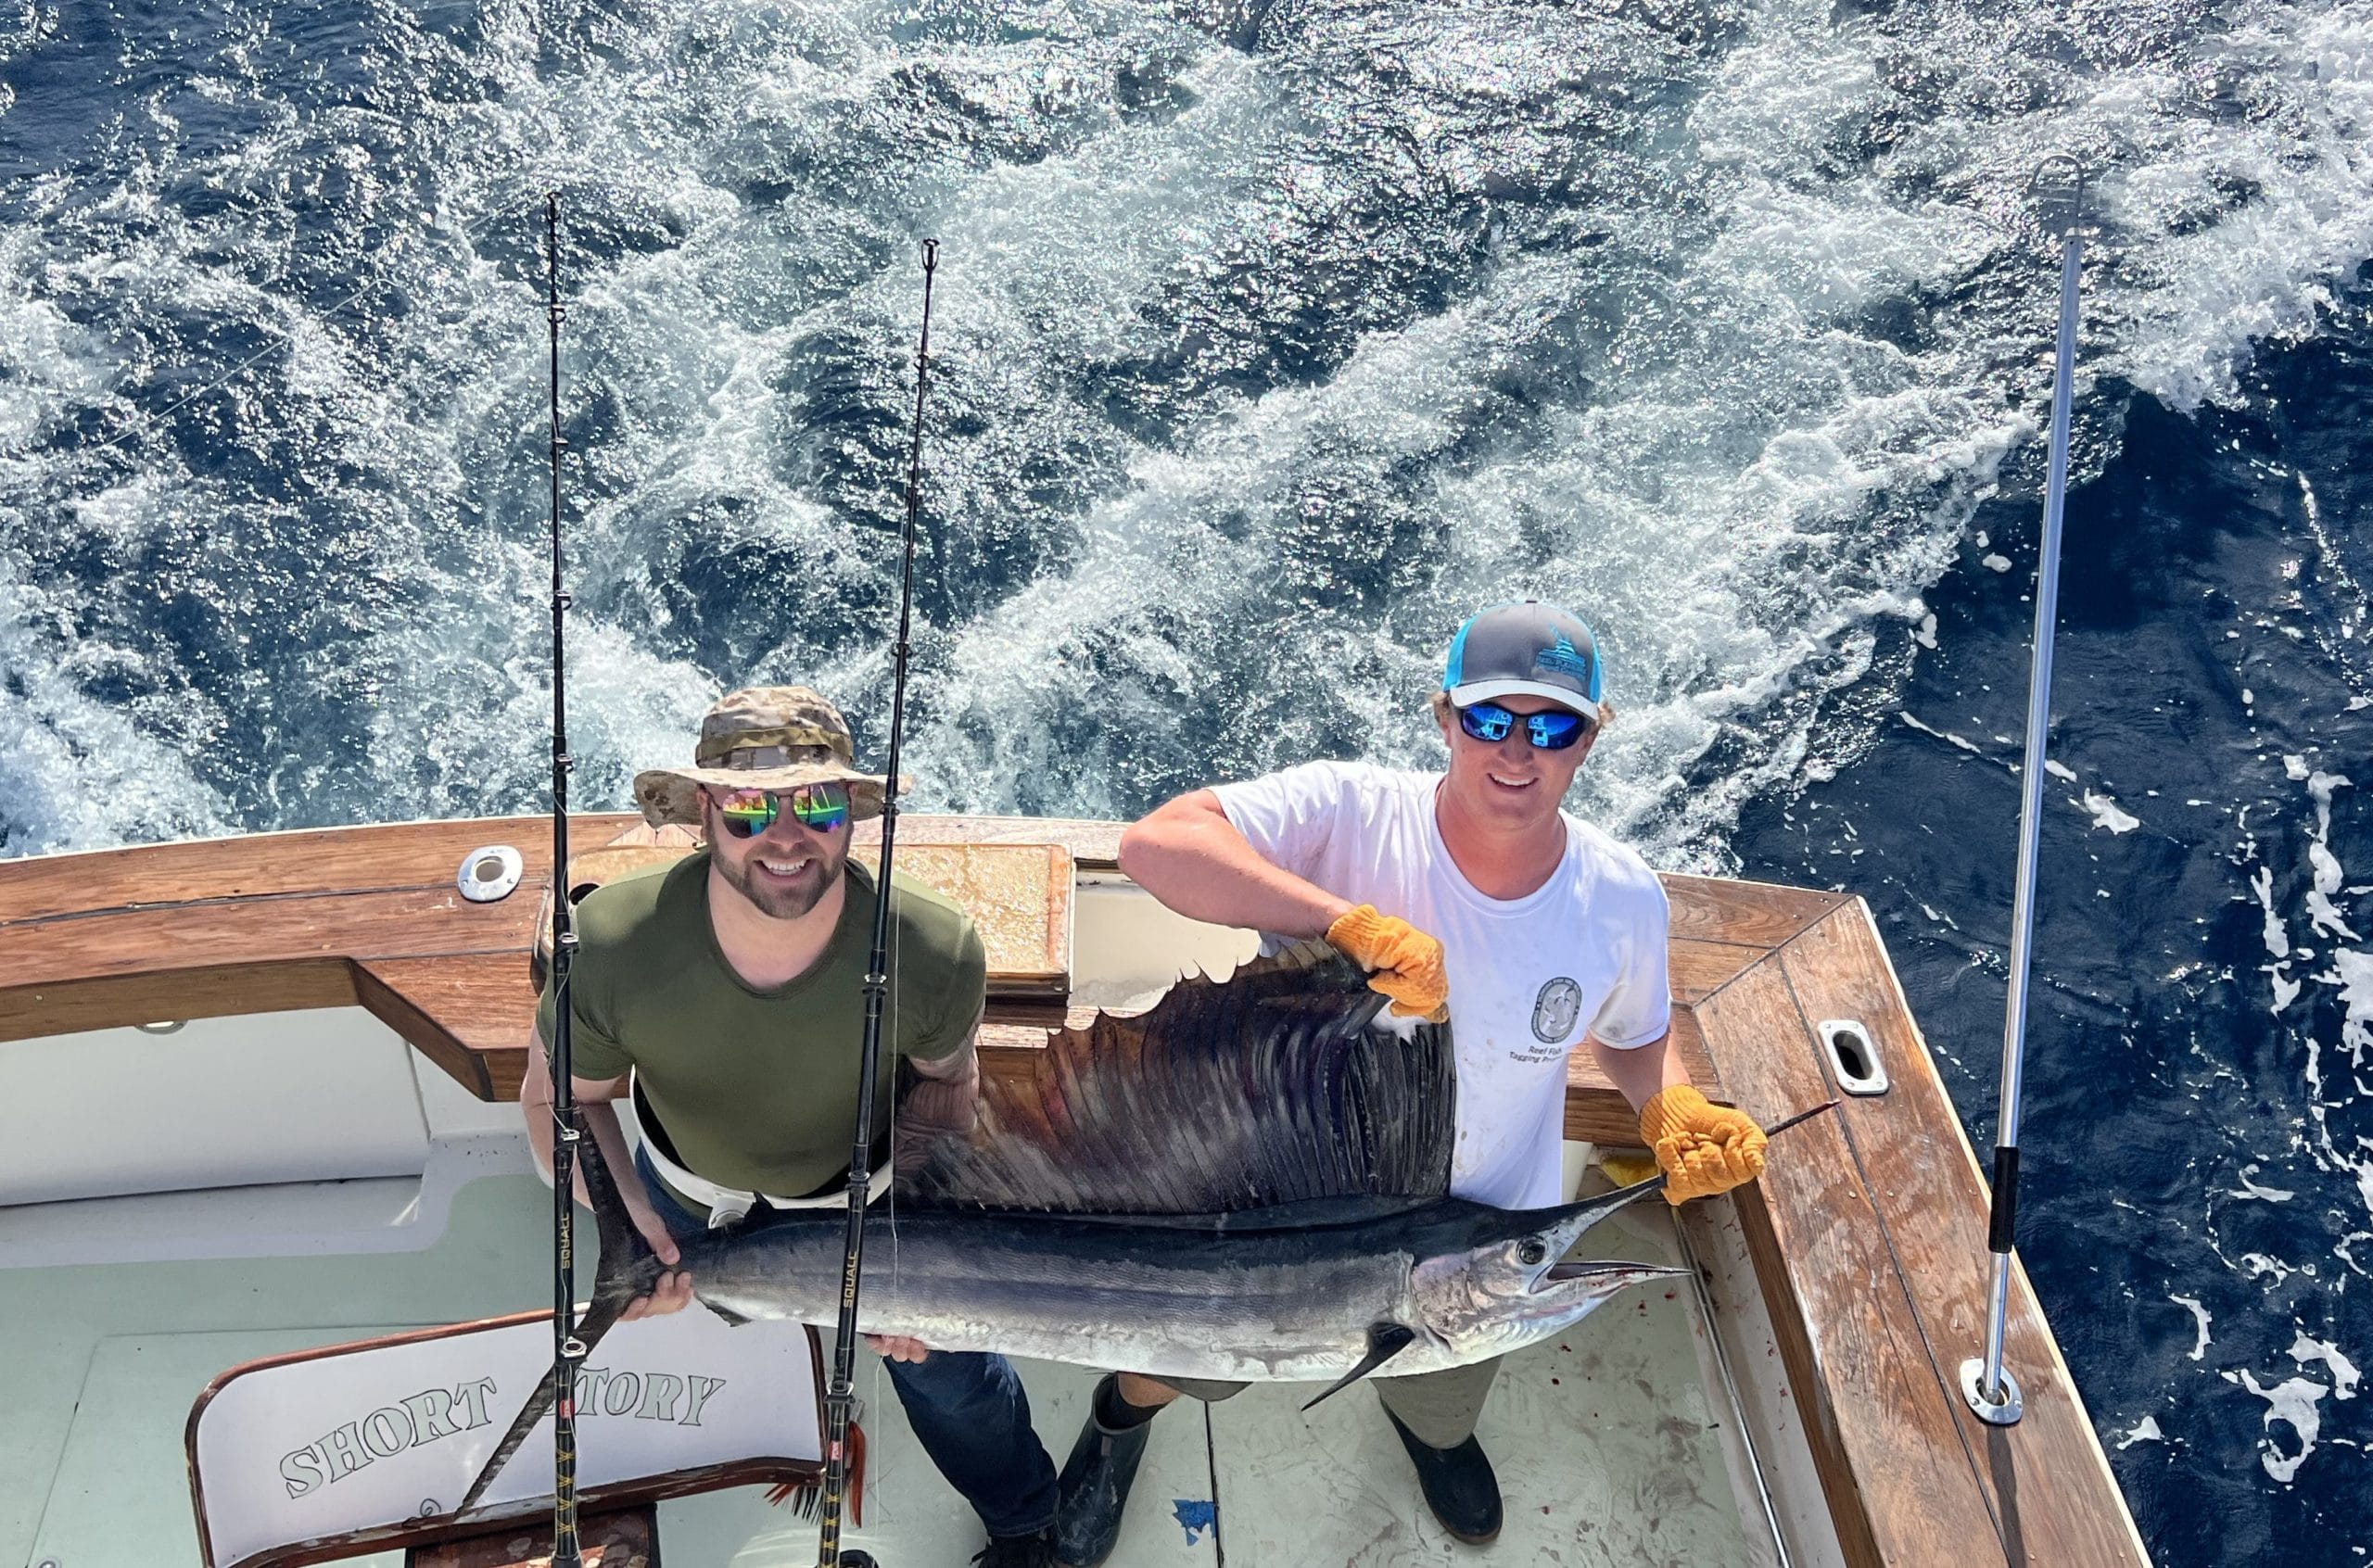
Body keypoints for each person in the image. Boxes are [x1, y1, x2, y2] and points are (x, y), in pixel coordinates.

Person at [1051, 601, 1770, 1564]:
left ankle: (1434, 1434)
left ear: (1590, 740)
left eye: (1552, 727)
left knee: (1447, 1376)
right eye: (1488, 721)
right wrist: (1340, 921)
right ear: (1443, 720)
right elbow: (1156, 847)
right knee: (1183, 1365)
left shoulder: (1621, 895)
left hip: (1482, 1218)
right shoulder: (1348, 813)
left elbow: (1635, 1036)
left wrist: (1667, 1100)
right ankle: (1118, 1419)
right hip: (1282, 1205)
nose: (1517, 752)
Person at [520, 686, 1061, 1568]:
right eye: (746, 810)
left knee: (950, 1375)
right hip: (686, 1199)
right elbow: (559, 1100)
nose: (786, 836)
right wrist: (628, 1225)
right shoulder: (609, 945)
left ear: (850, 813)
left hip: (874, 1203)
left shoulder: (933, 947)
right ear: (703, 812)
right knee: (730, 1333)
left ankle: (1026, 1518)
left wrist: (925, 1246)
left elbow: (947, 1092)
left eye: (816, 803)